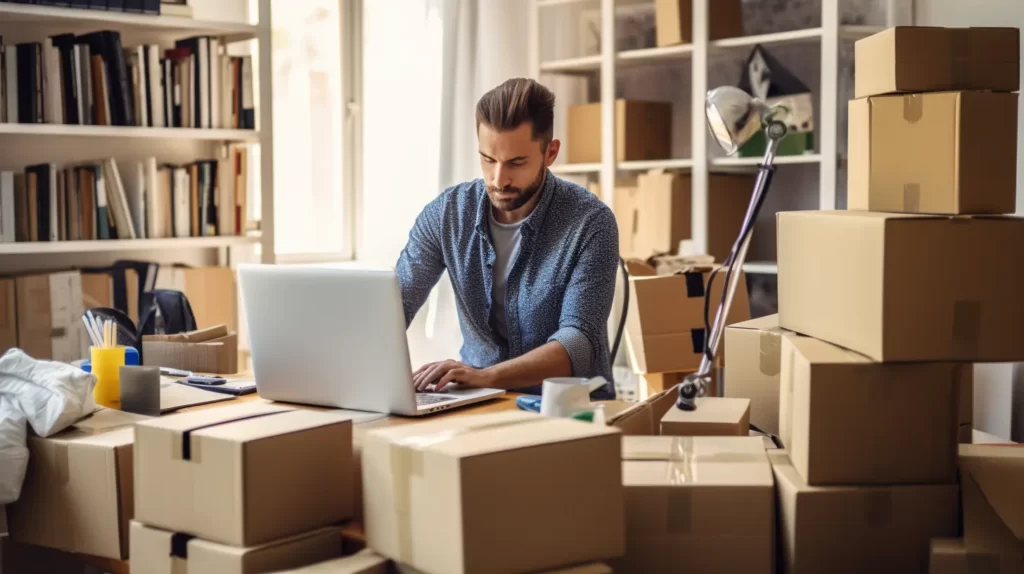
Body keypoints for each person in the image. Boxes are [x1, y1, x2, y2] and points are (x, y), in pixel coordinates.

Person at [395, 77, 620, 399]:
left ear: (550, 152)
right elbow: (395, 305)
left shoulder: (591, 223)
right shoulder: (447, 215)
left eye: (516, 162)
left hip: (568, 409)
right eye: (488, 160)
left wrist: (485, 377)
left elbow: (579, 341)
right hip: (477, 401)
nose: (499, 179)